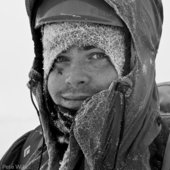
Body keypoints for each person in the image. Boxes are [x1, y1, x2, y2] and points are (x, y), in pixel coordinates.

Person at [0, 0, 169, 169]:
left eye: (96, 56)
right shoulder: (24, 155)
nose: (73, 77)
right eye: (59, 58)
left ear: (136, 64)